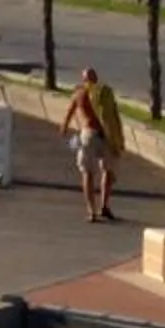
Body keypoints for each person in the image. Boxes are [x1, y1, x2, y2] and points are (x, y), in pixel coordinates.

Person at [62, 66, 124, 222]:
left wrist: (64, 128)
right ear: (96, 78)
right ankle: (104, 206)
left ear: (83, 80)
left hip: (89, 134)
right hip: (106, 135)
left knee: (88, 173)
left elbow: (69, 112)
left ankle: (92, 211)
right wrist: (118, 136)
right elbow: (114, 114)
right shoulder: (104, 93)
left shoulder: (79, 93)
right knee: (108, 171)